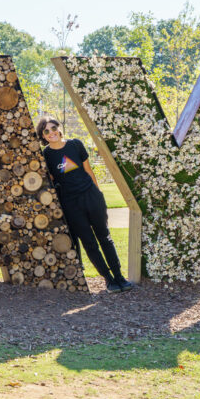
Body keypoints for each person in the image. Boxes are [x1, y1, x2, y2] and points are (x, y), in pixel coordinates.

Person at [37, 116, 133, 293]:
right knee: (89, 243)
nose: (51, 133)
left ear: (59, 128)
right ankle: (109, 280)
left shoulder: (75, 145)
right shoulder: (46, 155)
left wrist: (99, 194)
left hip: (91, 197)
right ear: (43, 136)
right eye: (46, 131)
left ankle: (120, 277)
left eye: (53, 128)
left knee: (105, 237)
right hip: (71, 204)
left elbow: (89, 171)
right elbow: (50, 179)